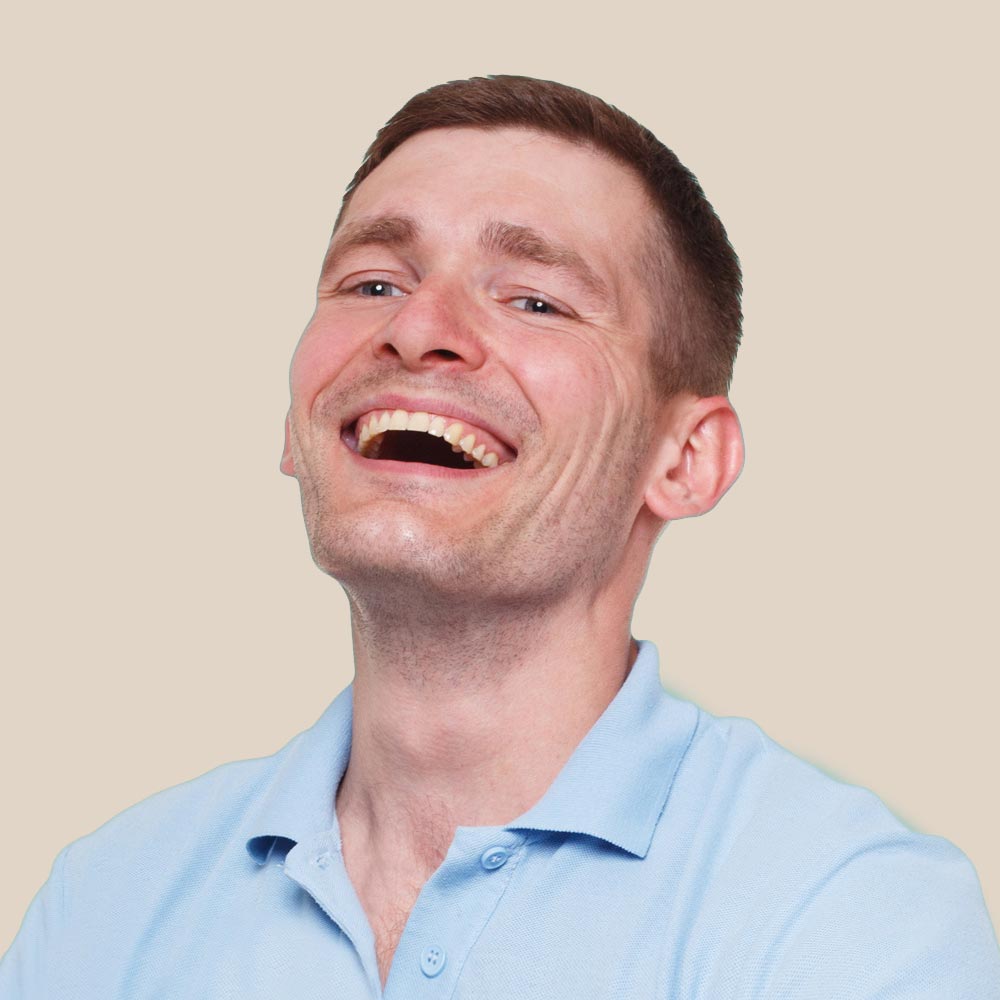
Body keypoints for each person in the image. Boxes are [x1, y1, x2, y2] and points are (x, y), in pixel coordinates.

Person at [2, 74, 997, 999]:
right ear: (294, 424)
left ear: (684, 459)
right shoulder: (104, 905)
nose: (418, 329)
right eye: (373, 283)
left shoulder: (848, 914)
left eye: (534, 299)